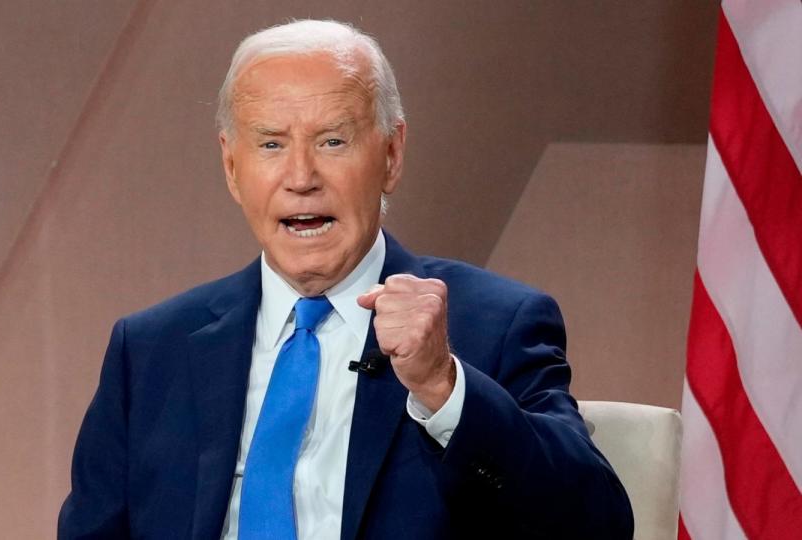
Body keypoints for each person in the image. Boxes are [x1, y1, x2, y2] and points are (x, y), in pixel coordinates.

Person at [58, 19, 633, 540]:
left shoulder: (495, 324)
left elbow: (595, 524)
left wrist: (442, 386)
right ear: (232, 167)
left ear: (391, 154)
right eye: (271, 144)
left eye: (333, 141)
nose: (301, 177)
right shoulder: (151, 350)